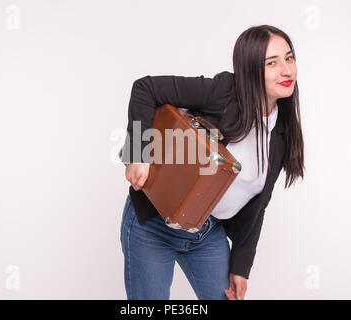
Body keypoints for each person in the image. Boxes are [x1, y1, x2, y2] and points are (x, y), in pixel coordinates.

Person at [120, 25, 305, 300]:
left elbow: (258, 206)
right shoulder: (223, 92)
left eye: (289, 58)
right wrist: (138, 152)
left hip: (207, 234)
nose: (287, 70)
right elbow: (145, 88)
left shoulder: (282, 132)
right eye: (272, 63)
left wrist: (241, 268)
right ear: (250, 69)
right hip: (154, 225)